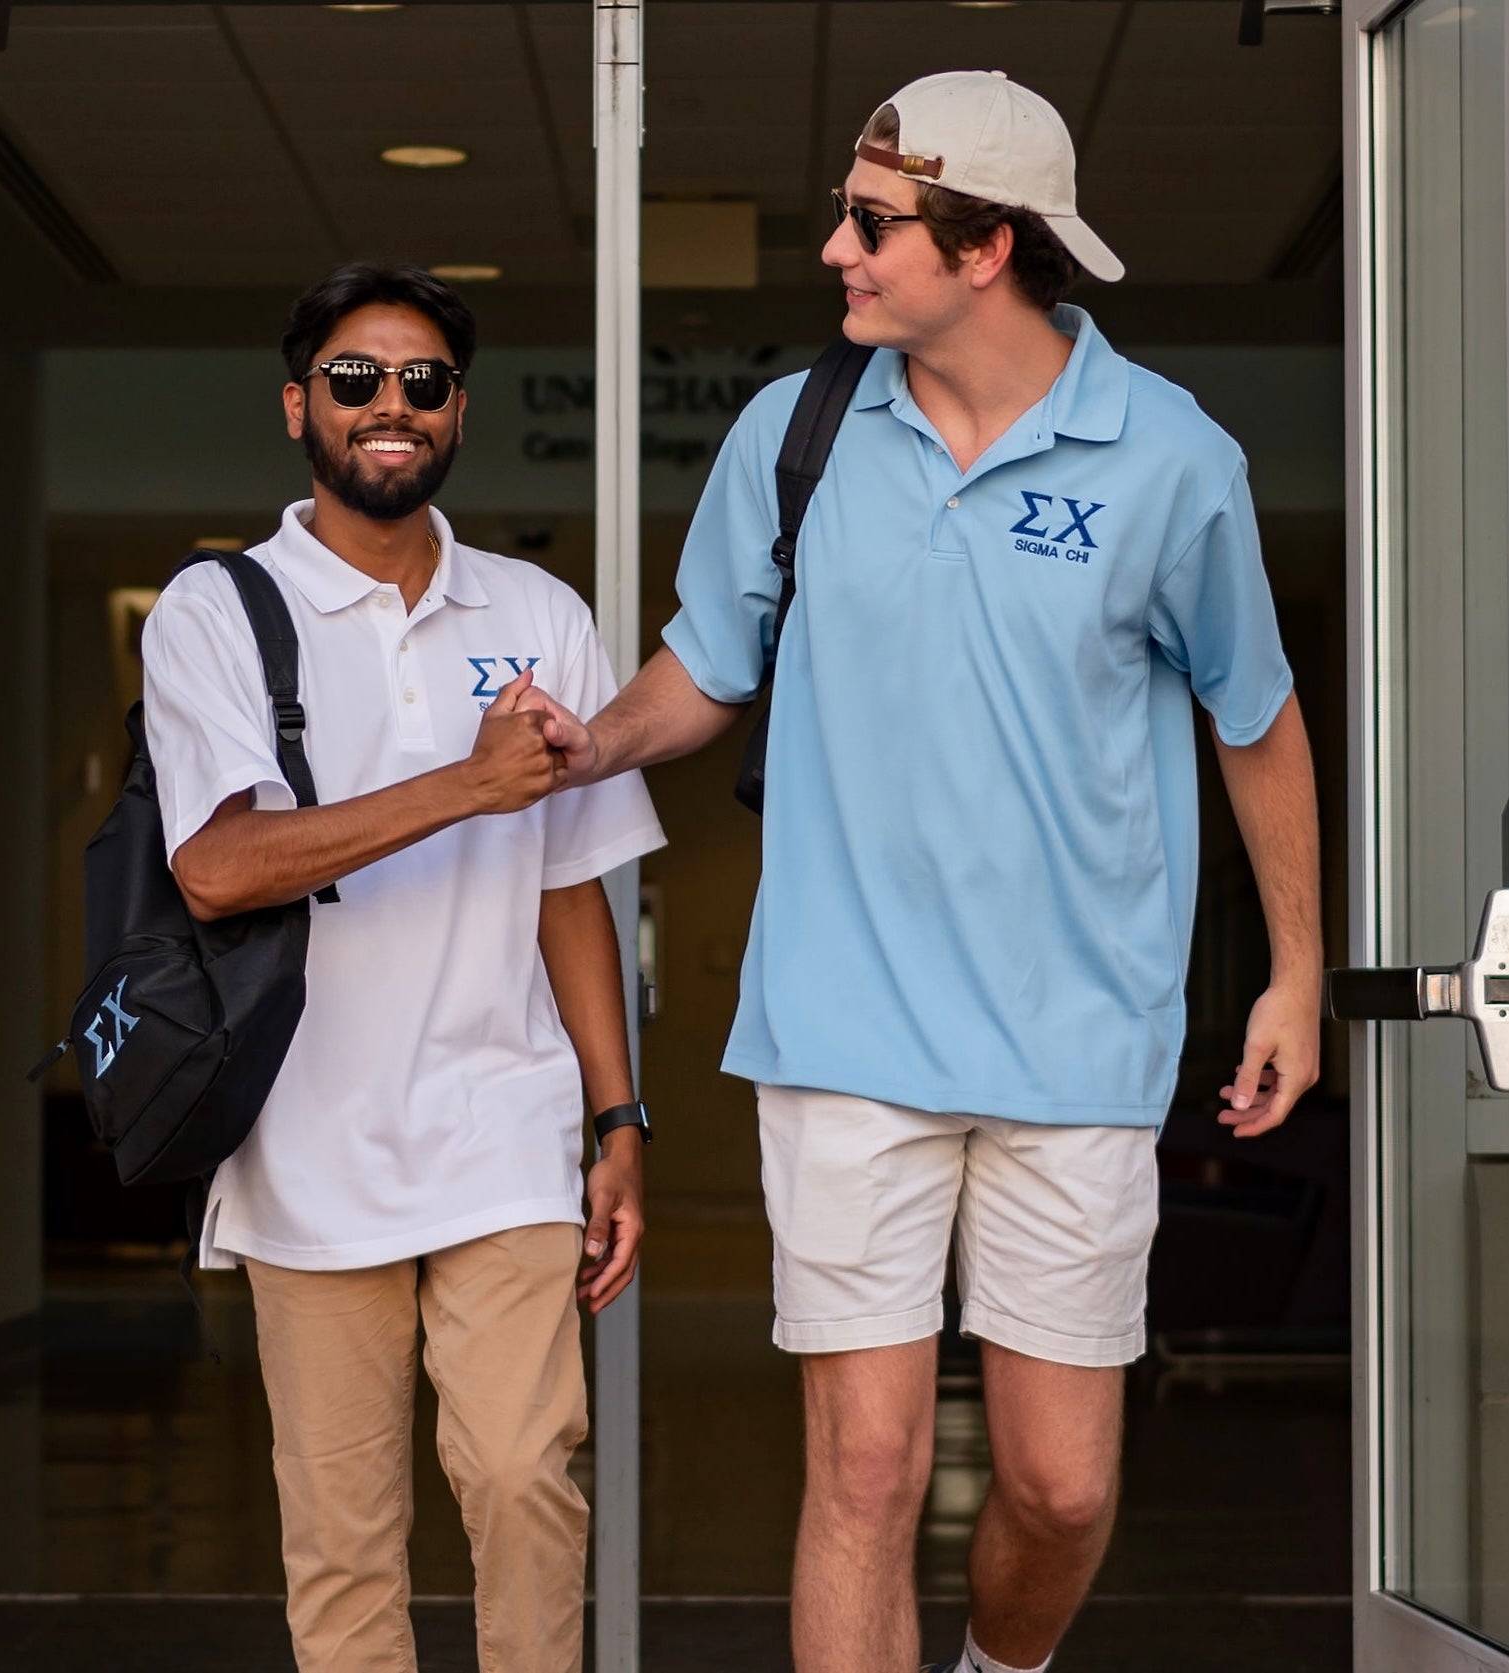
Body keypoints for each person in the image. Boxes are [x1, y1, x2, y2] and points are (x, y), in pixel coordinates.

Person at [522, 71, 1322, 1673]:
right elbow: (707, 664)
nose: (834, 249)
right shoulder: (797, 430)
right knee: (866, 1472)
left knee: (1061, 1482)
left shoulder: (1169, 458)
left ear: (987, 249)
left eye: (871, 223)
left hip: (1077, 1040)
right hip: (843, 1032)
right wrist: (597, 742)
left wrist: (1296, 971)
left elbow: (1256, 716)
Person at [141, 262, 664, 1673]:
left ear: (457, 410)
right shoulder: (215, 610)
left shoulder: (538, 613)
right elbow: (218, 865)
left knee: (518, 1477)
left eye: (422, 382)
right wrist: (466, 783)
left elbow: (570, 886)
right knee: (345, 1539)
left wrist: (616, 1119)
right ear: (298, 405)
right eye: (357, 379)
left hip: (503, 1128)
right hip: (303, 1147)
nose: (391, 405)